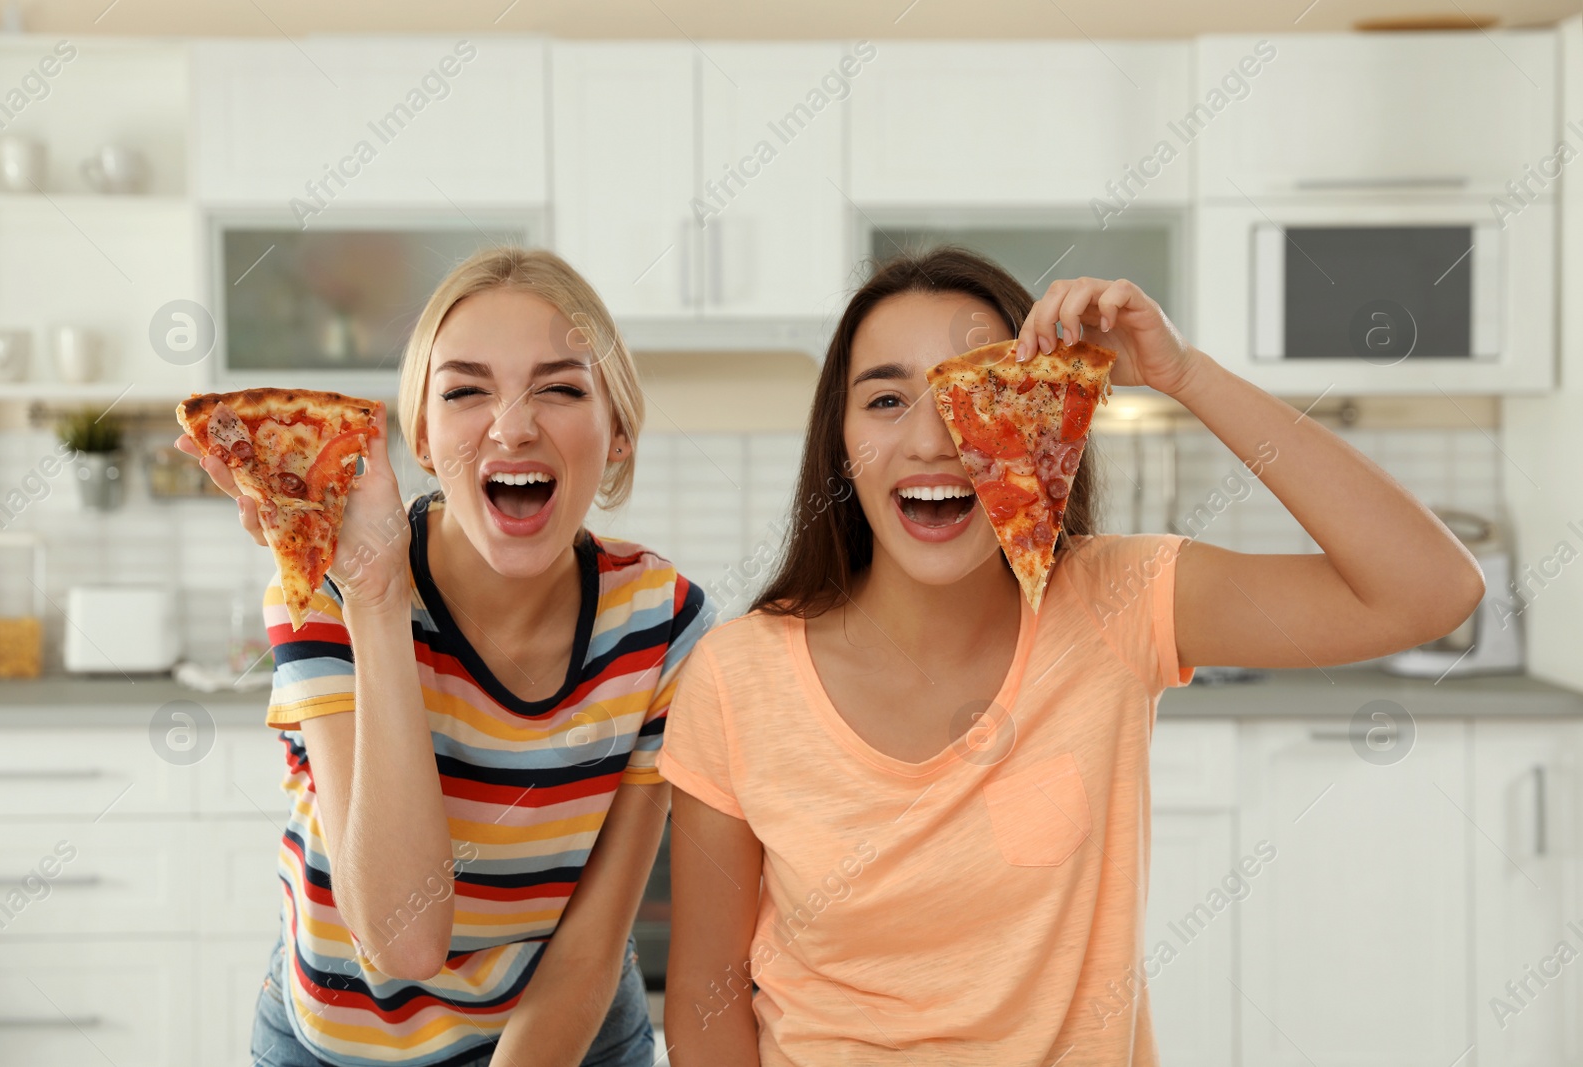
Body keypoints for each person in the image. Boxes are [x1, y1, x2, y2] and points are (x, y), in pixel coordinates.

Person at [657, 247, 1484, 1066]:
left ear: (1043, 420)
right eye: (885, 399)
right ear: (840, 443)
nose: (932, 440)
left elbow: (1430, 589)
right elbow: (704, 992)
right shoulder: (737, 676)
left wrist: (1185, 373)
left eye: (979, 391)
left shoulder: (1118, 602)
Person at [177, 248, 706, 1067]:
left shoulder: (663, 623)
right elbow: (403, 935)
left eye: (560, 388)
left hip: (570, 1027)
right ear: (422, 435)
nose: (513, 424)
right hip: (342, 1044)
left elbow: (591, 946)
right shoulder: (322, 593)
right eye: (465, 390)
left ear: (620, 430)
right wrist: (378, 598)